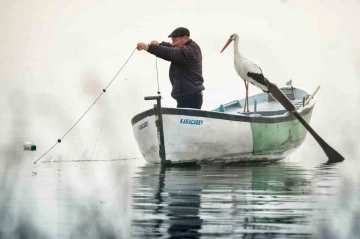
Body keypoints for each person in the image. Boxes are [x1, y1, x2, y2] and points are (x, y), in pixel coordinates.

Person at [136, 27, 205, 109]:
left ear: (185, 38)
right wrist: (160, 44)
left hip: (190, 97)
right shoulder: (188, 47)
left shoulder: (189, 50)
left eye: (175, 40)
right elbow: (172, 48)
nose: (173, 43)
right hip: (187, 96)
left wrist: (149, 48)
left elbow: (171, 52)